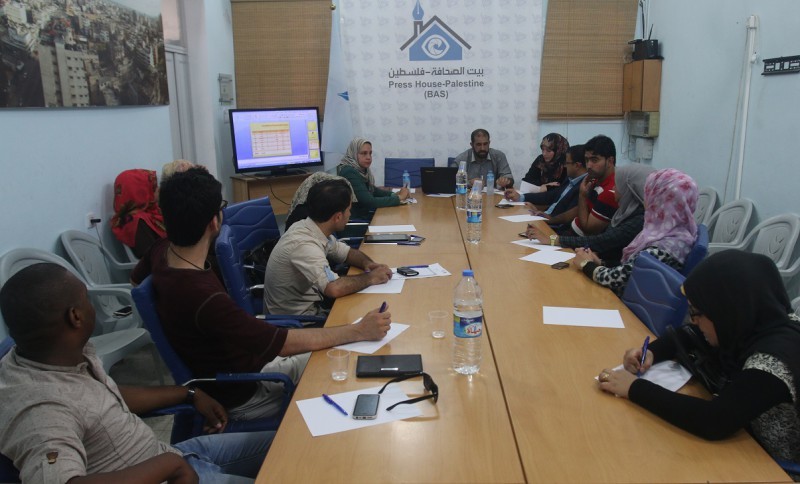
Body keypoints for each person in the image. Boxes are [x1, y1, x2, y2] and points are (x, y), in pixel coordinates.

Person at [131, 168, 392, 421]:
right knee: (346, 358)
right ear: (214, 222)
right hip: (253, 389)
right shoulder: (205, 298)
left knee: (344, 348)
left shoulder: (162, 250)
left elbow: (136, 281)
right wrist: (358, 330)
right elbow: (281, 343)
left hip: (241, 366)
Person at [0, 262, 274, 483]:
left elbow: (105, 397)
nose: (91, 305)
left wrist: (188, 393)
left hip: (174, 456)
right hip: (170, 473)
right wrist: (169, 466)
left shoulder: (53, 353)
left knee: (288, 443)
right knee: (289, 471)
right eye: (86, 299)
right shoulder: (40, 411)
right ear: (76, 316)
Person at [597, 251, 800, 468]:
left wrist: (634, 388)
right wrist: (650, 352)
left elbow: (713, 420)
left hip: (773, 466)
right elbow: (687, 335)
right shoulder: (753, 321)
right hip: (744, 439)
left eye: (696, 312)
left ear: (727, 312)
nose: (693, 321)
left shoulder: (773, 362)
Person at [264, 178, 393, 316]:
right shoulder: (304, 245)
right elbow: (334, 288)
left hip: (315, 306)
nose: (350, 214)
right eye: (349, 210)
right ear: (337, 217)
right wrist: (370, 277)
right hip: (298, 321)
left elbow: (346, 252)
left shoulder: (314, 227)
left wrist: (368, 263)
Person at [572, 168, 698, 293]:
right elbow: (632, 269)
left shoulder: (664, 247)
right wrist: (600, 262)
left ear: (658, 200)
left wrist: (585, 264)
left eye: (649, 192)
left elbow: (614, 280)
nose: (645, 197)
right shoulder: (676, 233)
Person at [526, 163, 651, 264]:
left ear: (629, 190)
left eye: (618, 185)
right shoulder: (624, 210)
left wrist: (552, 240)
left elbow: (602, 241)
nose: (613, 188)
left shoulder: (639, 220)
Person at [505, 145, 588, 231]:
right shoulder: (570, 179)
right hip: (544, 219)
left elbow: (566, 218)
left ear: (577, 165)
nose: (565, 166)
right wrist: (522, 197)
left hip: (554, 228)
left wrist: (545, 217)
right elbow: (550, 196)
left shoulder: (584, 187)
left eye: (567, 163)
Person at [337, 138, 409, 220]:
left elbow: (373, 190)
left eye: (370, 153)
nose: (368, 157)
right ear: (353, 153)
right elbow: (369, 202)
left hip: (364, 215)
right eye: (364, 153)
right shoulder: (349, 171)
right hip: (356, 220)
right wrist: (399, 198)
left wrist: (393, 194)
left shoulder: (360, 169)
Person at [569, 135, 618, 236]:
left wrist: (582, 196)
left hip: (580, 241)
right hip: (570, 230)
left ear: (610, 161)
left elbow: (588, 229)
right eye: (587, 160)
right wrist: (552, 219)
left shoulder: (611, 191)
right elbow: (582, 209)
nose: (588, 165)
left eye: (594, 160)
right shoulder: (596, 179)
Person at [110, 168, 166, 258]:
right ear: (140, 193)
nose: (158, 189)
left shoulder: (151, 211)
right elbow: (151, 256)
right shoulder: (135, 222)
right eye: (153, 188)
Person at [283, 171, 357, 232]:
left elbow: (334, 243)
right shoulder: (305, 224)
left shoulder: (318, 220)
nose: (350, 214)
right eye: (349, 210)